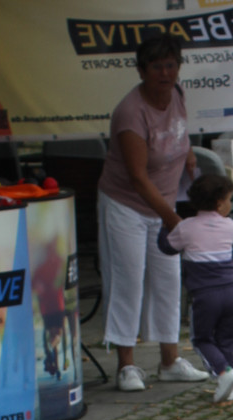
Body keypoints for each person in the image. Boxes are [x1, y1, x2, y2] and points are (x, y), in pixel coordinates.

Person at [96, 35, 211, 392]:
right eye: (157, 66)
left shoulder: (176, 94)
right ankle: (126, 366)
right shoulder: (130, 113)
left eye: (171, 65)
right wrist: (173, 219)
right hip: (127, 205)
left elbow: (178, 131)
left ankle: (169, 360)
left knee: (168, 280)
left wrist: (188, 154)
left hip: (162, 203)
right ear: (142, 70)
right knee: (128, 280)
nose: (165, 72)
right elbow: (137, 177)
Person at [159, 174, 233, 404]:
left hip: (205, 294)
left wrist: (163, 226)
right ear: (219, 203)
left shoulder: (186, 228)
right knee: (229, 337)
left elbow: (167, 247)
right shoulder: (230, 226)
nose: (230, 204)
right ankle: (229, 381)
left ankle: (224, 373)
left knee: (202, 338)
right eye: (230, 199)